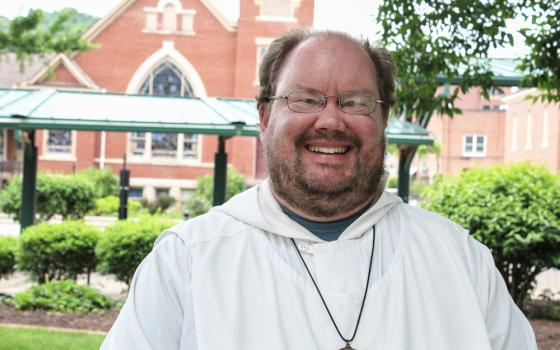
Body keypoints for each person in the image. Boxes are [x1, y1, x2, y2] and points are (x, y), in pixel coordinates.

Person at [101, 29, 537, 350]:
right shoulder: (187, 259)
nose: (330, 121)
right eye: (305, 99)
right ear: (265, 117)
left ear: (383, 119)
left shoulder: (459, 259)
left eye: (354, 102)